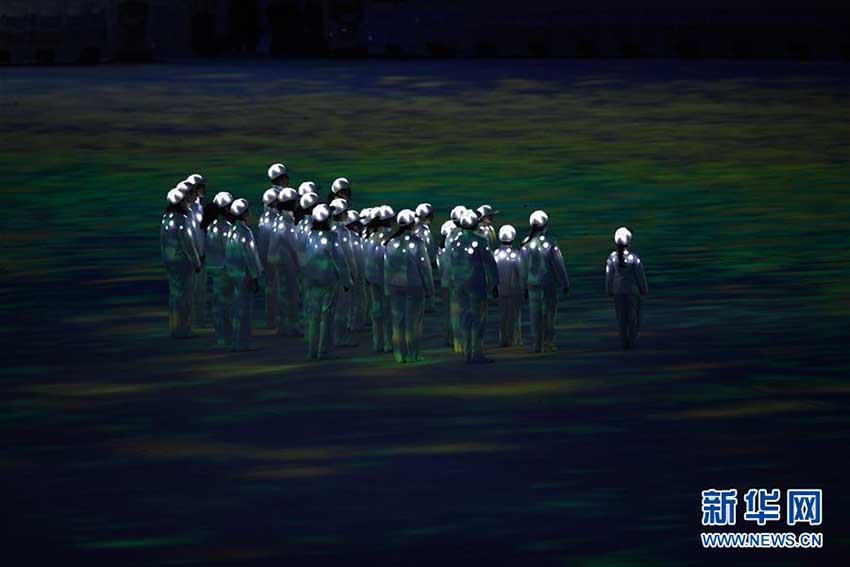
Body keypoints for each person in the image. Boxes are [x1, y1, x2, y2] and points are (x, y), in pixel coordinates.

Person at [300, 204, 353, 360]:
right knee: (326, 316)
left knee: (314, 316)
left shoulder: (310, 236)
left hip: (311, 279)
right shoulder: (332, 237)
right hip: (328, 280)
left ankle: (312, 350)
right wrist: (347, 281)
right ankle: (324, 350)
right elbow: (340, 260)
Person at [446, 210, 499, 363]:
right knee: (478, 319)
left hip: (458, 284)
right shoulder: (481, 241)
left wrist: (450, 282)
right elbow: (490, 264)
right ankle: (477, 352)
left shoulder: (454, 242)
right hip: (476, 284)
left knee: (464, 317)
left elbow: (449, 264)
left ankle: (467, 352)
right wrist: (494, 283)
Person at [383, 209, 435, 363]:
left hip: (395, 285)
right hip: (414, 286)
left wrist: (387, 287)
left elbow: (387, 267)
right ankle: (413, 353)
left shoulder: (391, 243)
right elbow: (425, 267)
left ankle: (399, 354)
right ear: (413, 224)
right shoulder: (417, 242)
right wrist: (430, 288)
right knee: (413, 322)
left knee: (397, 321)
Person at [520, 210, 570, 353]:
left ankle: (537, 344)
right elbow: (558, 265)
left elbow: (522, 268)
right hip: (548, 283)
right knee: (549, 314)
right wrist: (565, 283)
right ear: (546, 226)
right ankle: (548, 343)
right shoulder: (550, 243)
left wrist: (523, 287)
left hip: (532, 284)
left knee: (534, 315)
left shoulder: (525, 244)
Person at [161, 188, 202, 338]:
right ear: (180, 203)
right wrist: (196, 263)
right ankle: (184, 329)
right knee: (185, 297)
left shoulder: (166, 219)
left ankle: (174, 327)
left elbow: (163, 242)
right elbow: (188, 244)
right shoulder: (183, 220)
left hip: (170, 261)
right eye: (185, 201)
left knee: (175, 295)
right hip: (183, 263)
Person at [225, 198, 263, 351]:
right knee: (244, 309)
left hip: (233, 273)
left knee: (236, 307)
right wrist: (255, 275)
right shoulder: (245, 232)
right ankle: (243, 342)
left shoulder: (231, 230)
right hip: (244, 274)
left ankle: (236, 340)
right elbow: (250, 256)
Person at [605, 227, 648, 349]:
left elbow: (609, 276)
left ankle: (624, 340)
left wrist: (609, 290)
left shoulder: (612, 258)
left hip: (618, 291)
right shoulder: (634, 259)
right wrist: (644, 289)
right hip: (632, 291)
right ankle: (632, 339)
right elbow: (640, 276)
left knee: (621, 317)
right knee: (633, 316)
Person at [267, 187, 301, 336]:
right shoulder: (287, 223)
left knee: (282, 294)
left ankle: (282, 324)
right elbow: (294, 246)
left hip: (278, 262)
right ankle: (291, 325)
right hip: (288, 264)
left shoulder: (278, 220)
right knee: (291, 294)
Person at [205, 191, 235, 346]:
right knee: (226, 304)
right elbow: (230, 250)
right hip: (224, 269)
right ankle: (227, 336)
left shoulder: (211, 226)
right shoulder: (226, 227)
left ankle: (221, 335)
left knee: (218, 302)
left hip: (213, 267)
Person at [364, 205, 395, 353]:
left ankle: (378, 342)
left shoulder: (371, 238)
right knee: (387, 311)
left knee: (376, 310)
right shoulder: (389, 239)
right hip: (386, 278)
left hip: (372, 278)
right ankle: (388, 342)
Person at [330, 198, 359, 347]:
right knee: (342, 308)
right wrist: (353, 273)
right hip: (343, 274)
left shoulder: (329, 229)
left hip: (331, 274)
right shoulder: (343, 232)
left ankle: (331, 337)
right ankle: (340, 338)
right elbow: (348, 255)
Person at [180, 177, 207, 326]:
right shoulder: (190, 210)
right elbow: (193, 234)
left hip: (200, 252)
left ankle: (198, 317)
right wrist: (197, 254)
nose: (203, 189)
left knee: (200, 288)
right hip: (195, 254)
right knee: (193, 288)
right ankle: (192, 320)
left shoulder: (198, 207)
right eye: (201, 186)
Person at [494, 225, 524, 347]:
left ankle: (503, 339)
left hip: (500, 289)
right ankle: (514, 339)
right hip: (514, 290)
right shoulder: (517, 255)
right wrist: (524, 288)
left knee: (502, 315)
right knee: (514, 316)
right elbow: (521, 273)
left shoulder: (495, 254)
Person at [258, 186, 281, 328]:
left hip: (268, 257)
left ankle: (271, 318)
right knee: (274, 289)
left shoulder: (265, 217)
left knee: (271, 288)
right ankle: (272, 319)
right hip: (272, 258)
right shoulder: (272, 218)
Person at [344, 209, 369, 332]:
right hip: (356, 275)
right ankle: (356, 324)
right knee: (358, 300)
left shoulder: (345, 238)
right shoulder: (354, 240)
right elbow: (358, 260)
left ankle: (351, 322)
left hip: (350, 275)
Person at [436, 220, 456, 346]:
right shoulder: (454, 249)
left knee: (447, 312)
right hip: (454, 283)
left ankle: (447, 337)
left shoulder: (440, 250)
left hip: (444, 282)